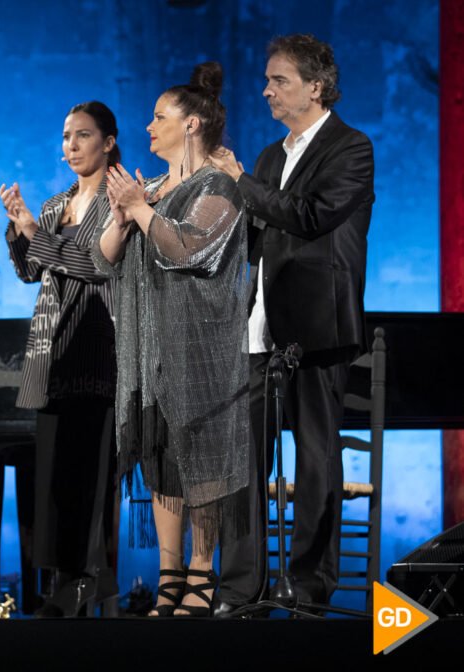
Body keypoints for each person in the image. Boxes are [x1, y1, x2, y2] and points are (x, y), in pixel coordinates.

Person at [210, 34, 374, 613]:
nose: (267, 90)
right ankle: (240, 585)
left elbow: (311, 216)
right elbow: (255, 235)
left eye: (279, 80)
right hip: (262, 323)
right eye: (268, 78)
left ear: (316, 86)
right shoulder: (269, 156)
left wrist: (242, 186)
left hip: (317, 326)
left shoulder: (351, 148)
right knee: (244, 461)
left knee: (314, 458)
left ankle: (308, 586)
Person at [94, 62, 249, 617]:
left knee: (200, 461)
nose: (148, 126)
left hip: (201, 350)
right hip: (151, 351)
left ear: (191, 124)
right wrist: (121, 214)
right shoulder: (153, 186)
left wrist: (140, 209)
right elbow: (103, 258)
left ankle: (202, 573)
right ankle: (169, 573)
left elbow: (189, 248)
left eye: (160, 117)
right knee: (160, 459)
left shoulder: (220, 186)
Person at [0, 101, 120, 617]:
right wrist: (16, 227)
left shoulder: (119, 201)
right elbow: (32, 271)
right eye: (66, 136)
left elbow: (93, 265)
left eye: (83, 136)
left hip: (99, 349)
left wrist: (34, 233)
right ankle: (59, 583)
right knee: (54, 476)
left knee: (91, 474)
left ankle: (87, 582)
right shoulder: (55, 205)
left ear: (108, 141)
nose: (71, 145)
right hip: (53, 353)